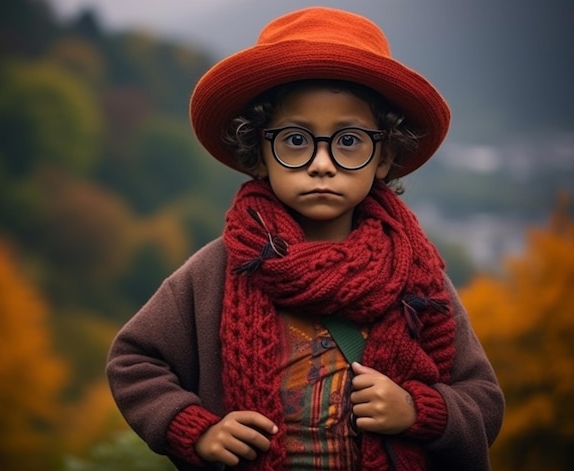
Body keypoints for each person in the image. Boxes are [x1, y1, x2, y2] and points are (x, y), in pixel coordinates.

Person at [106, 7, 504, 471]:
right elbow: (134, 361)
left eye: (349, 140)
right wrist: (195, 429)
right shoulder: (217, 270)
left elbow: (483, 401)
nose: (321, 162)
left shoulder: (417, 280)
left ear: (384, 156)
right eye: (295, 140)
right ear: (258, 154)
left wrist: (418, 411)